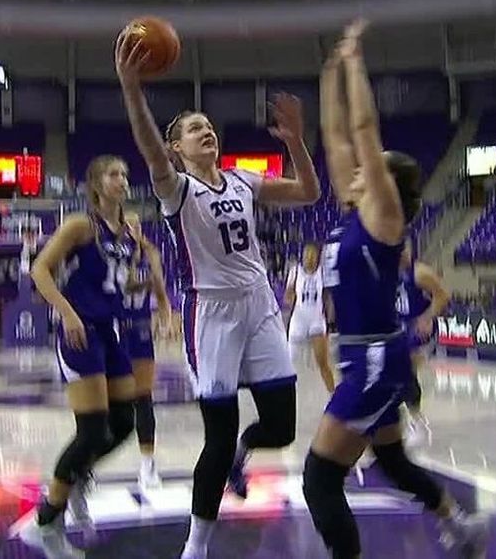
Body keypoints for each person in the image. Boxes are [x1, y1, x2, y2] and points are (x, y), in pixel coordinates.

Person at [115, 30, 321, 559]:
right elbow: (146, 145)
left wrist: (295, 141)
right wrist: (132, 90)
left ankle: (243, 455)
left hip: (260, 304)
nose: (205, 131)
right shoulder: (176, 189)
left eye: (207, 126)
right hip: (211, 315)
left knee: (280, 424)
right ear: (176, 149)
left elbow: (309, 192)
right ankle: (197, 547)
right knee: (218, 434)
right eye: (192, 129)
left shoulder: (242, 181)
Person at [303, 21, 486, 559]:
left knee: (319, 479)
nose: (357, 170)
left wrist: (356, 62)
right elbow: (336, 137)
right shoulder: (353, 208)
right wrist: (328, 70)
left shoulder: (384, 216)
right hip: (369, 353)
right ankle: (460, 525)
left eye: (371, 169)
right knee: (391, 461)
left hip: (376, 359)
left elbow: (361, 130)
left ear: (388, 185)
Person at [18, 155, 144, 558]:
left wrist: (146, 275)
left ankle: (74, 477)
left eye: (124, 174)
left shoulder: (128, 231)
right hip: (80, 331)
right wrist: (68, 312)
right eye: (113, 174)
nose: (121, 180)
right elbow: (40, 270)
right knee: (91, 431)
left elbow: (121, 282)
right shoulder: (79, 225)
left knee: (125, 422)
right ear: (95, 184)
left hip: (110, 331)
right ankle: (45, 524)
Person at [119, 229, 174, 490]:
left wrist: (167, 319)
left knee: (144, 398)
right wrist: (145, 274)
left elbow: (161, 293)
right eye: (127, 227)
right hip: (114, 328)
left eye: (136, 228)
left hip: (139, 329)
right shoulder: (111, 255)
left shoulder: (150, 256)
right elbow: (125, 285)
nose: (132, 232)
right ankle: (85, 469)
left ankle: (147, 464)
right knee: (103, 403)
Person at [396, 240, 450, 446]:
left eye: (405, 249)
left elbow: (442, 296)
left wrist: (428, 317)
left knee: (407, 372)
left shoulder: (420, 273)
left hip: (421, 329)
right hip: (400, 328)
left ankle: (417, 423)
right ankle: (405, 419)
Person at [284, 242, 335, 393]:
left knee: (323, 364)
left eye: (313, 255)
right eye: (307, 254)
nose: (309, 258)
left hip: (316, 321)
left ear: (318, 257)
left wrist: (330, 319)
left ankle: (333, 396)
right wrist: (290, 294)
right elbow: (287, 298)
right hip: (298, 320)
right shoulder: (295, 271)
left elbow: (327, 297)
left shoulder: (323, 273)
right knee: (287, 365)